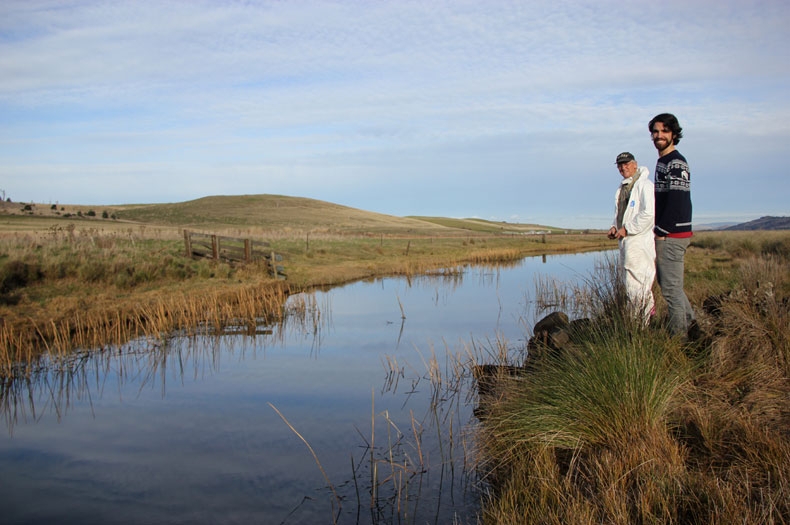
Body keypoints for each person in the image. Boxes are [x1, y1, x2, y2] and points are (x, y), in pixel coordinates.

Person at [649, 113, 697, 338]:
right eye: (656, 132)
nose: (659, 135)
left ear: (674, 135)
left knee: (669, 289)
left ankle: (680, 337)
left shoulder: (675, 162)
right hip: (673, 233)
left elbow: (678, 201)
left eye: (664, 131)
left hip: (672, 234)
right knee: (671, 286)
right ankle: (691, 325)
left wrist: (661, 231)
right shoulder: (664, 161)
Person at [607, 152, 655, 323]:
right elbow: (620, 214)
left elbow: (648, 215)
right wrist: (615, 227)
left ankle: (642, 326)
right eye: (620, 165)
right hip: (627, 243)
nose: (623, 168)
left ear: (635, 164)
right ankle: (639, 322)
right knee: (630, 286)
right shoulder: (622, 188)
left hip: (639, 243)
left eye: (626, 164)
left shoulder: (645, 185)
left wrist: (627, 229)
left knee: (639, 286)